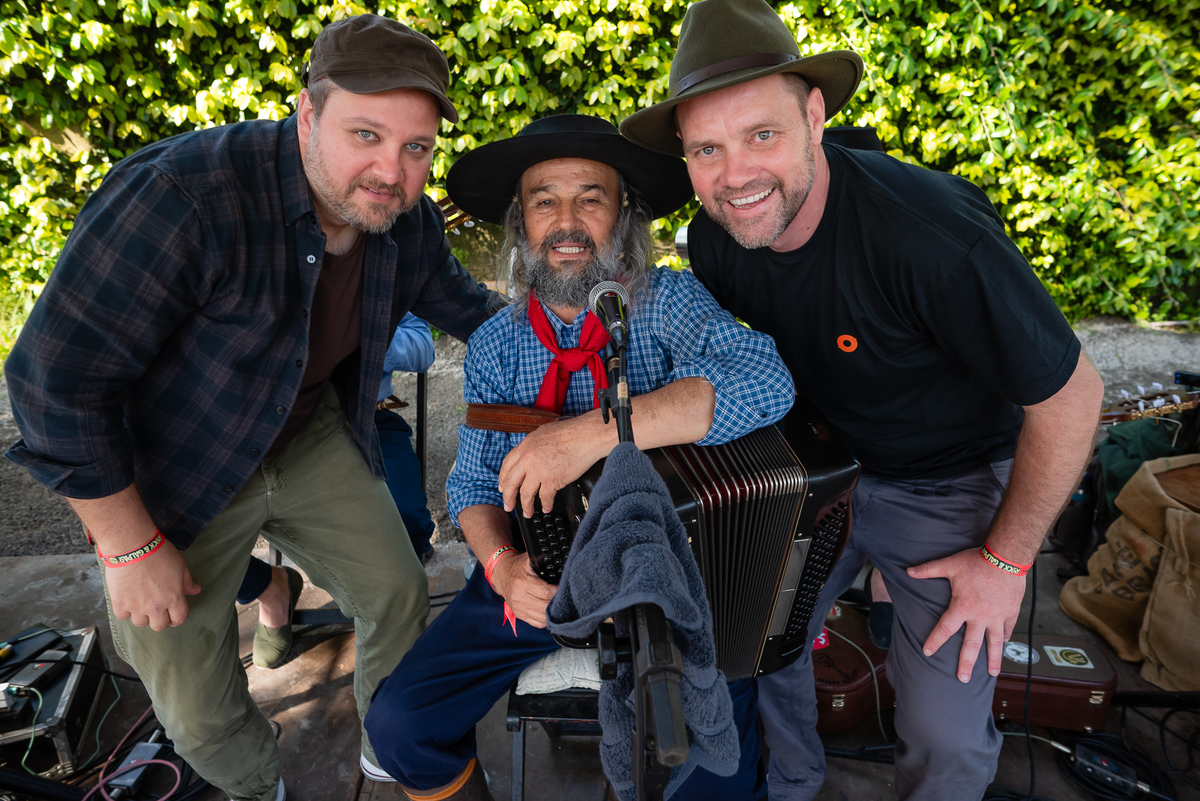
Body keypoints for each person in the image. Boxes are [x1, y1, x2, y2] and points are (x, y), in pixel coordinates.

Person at [4, 14, 501, 801]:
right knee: (186, 683)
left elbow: (475, 311)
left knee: (400, 588)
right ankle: (253, 784)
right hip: (174, 465)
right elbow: (49, 380)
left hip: (302, 435)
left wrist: (609, 340)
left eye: (416, 148)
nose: (391, 171)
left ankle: (393, 741)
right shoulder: (184, 195)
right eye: (365, 134)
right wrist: (128, 547)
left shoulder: (406, 220)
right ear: (307, 113)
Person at [619, 1, 1105, 799]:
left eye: (761, 135)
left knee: (946, 736)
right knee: (755, 637)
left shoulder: (930, 235)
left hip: (947, 488)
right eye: (708, 148)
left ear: (815, 116)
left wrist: (1006, 560)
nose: (735, 174)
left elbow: (1073, 396)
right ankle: (795, 781)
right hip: (812, 474)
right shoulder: (714, 240)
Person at [363, 114, 796, 801]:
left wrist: (596, 432)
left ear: (622, 214)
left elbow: (767, 380)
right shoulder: (498, 341)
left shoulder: (667, 300)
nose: (567, 221)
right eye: (545, 201)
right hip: (541, 569)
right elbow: (472, 484)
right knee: (397, 724)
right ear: (521, 221)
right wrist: (503, 568)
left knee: (711, 769)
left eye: (590, 198)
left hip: (671, 572)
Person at [241, 312, 438, 670]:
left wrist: (365, 338)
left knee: (406, 515)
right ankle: (271, 589)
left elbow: (423, 347)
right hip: (284, 432)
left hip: (368, 419)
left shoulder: (374, 264)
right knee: (192, 529)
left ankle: (395, 603)